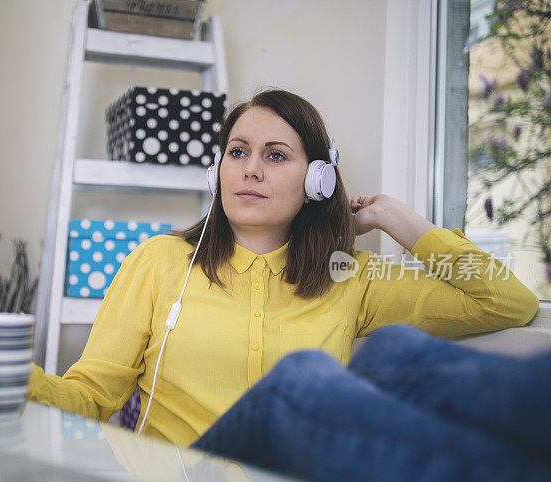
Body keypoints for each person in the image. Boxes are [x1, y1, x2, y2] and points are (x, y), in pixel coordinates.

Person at [28, 89, 539, 447]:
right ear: (218, 172)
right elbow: (89, 399)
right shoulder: (159, 262)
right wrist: (12, 380)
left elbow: (505, 301)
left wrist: (392, 216)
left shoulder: (349, 276)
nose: (250, 168)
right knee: (308, 381)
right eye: (237, 152)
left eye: (275, 155)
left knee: (399, 363)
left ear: (318, 180)